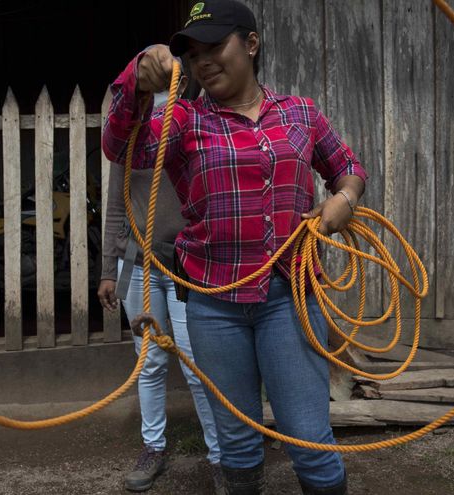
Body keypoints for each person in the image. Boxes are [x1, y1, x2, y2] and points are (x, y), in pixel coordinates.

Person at [101, 1, 367, 493]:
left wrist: (344, 200)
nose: (203, 61)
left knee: (309, 437)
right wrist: (137, 79)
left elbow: (347, 167)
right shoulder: (184, 121)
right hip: (212, 306)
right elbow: (121, 148)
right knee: (237, 441)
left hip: (290, 300)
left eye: (214, 46)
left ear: (251, 43)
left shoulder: (301, 114)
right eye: (193, 53)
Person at [98, 88, 223, 494]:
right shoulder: (128, 140)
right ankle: (153, 447)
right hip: (136, 260)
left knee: (194, 363)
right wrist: (107, 270)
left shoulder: (188, 132)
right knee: (148, 361)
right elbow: (116, 207)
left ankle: (222, 456)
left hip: (185, 259)